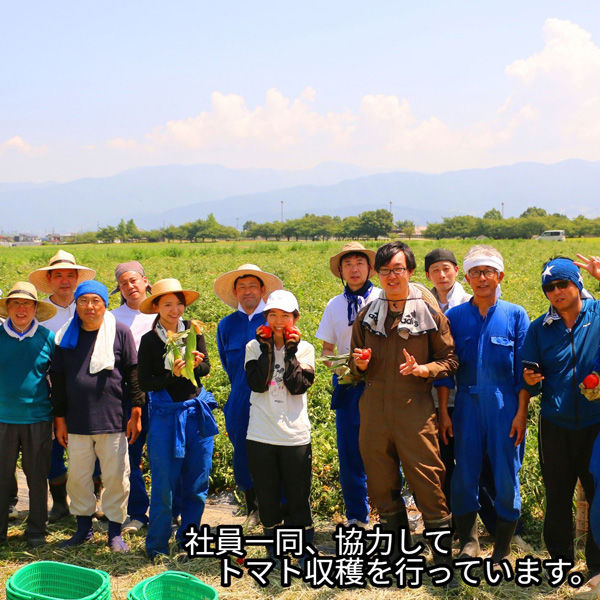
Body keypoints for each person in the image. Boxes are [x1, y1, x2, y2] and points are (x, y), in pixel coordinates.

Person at [349, 240, 458, 564]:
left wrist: (424, 369)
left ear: (410, 271)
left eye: (397, 269)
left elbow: (450, 360)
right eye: (385, 271)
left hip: (414, 407)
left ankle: (442, 560)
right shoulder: (368, 315)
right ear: (377, 274)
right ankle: (396, 554)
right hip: (374, 408)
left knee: (427, 480)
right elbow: (353, 364)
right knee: (381, 483)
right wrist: (360, 365)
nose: (391, 276)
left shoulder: (429, 313)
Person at [436, 245, 530, 563]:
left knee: (506, 474)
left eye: (488, 272)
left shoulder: (515, 315)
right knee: (465, 474)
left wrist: (521, 414)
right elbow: (447, 369)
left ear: (500, 276)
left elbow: (523, 374)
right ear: (467, 277)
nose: (482, 278)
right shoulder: (455, 317)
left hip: (505, 406)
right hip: (466, 404)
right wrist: (444, 413)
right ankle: (469, 540)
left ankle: (502, 547)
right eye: (475, 272)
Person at [522, 255, 600, 585]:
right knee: (557, 492)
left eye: (562, 284)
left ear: (577, 284)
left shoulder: (597, 315)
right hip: (555, 423)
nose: (556, 291)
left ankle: (596, 565)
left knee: (597, 493)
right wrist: (530, 379)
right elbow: (527, 374)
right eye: (550, 287)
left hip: (596, 424)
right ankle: (560, 562)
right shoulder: (540, 328)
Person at [50, 280, 144, 552]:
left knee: (116, 477)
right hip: (76, 421)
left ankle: (115, 532)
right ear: (77, 305)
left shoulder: (120, 332)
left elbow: (132, 375)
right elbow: (57, 380)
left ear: (105, 304)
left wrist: (135, 412)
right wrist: (60, 419)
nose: (89, 307)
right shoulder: (65, 336)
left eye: (95, 301)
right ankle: (83, 529)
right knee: (78, 478)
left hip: (112, 420)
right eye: (83, 301)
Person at [138, 278, 217, 559]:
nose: (174, 310)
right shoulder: (150, 341)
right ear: (157, 307)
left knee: (197, 482)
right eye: (167, 304)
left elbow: (205, 366)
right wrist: (171, 373)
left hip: (195, 414)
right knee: (163, 484)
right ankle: (157, 545)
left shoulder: (193, 331)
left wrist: (197, 364)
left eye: (178, 304)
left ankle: (191, 541)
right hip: (164, 416)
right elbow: (145, 381)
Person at [316, 242, 388, 528]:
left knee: (385, 451)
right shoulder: (334, 306)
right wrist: (347, 369)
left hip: (382, 385)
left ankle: (388, 513)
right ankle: (357, 515)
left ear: (370, 268)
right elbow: (325, 352)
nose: (354, 269)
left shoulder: (385, 297)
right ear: (341, 272)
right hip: (348, 386)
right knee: (350, 453)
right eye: (348, 264)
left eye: (359, 262)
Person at [244, 289, 315, 563]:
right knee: (267, 493)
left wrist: (290, 351)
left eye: (285, 316)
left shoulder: (305, 348)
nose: (277, 321)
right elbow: (257, 383)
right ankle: (273, 546)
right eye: (272, 314)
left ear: (295, 319)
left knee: (299, 494)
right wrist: (266, 348)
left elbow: (297, 386)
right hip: (261, 432)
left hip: (295, 435)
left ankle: (302, 545)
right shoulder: (253, 347)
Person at [28, 249, 96, 522]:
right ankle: (59, 503)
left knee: (92, 447)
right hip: (48, 391)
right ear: (50, 279)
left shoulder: (90, 306)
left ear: (78, 278)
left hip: (86, 391)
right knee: (52, 449)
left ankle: (93, 501)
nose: (65, 281)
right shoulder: (40, 312)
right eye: (59, 276)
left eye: (70, 275)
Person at [215, 264, 283, 523]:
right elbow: (225, 360)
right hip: (240, 396)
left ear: (263, 289)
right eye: (241, 287)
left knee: (276, 449)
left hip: (273, 396)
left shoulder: (274, 320)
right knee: (242, 451)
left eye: (252, 286)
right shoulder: (226, 325)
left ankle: (278, 506)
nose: (247, 292)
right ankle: (252, 506)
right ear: (235, 292)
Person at [0, 282, 56, 547]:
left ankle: (36, 531)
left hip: (38, 418)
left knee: (37, 476)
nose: (21, 309)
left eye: (27, 304)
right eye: (16, 303)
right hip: (3, 418)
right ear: (8, 307)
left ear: (35, 308)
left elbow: (56, 379)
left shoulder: (47, 338)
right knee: (1, 477)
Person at [111, 261, 156, 533]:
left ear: (145, 281)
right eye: (124, 283)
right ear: (119, 288)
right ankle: (138, 513)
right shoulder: (112, 318)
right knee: (131, 455)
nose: (130, 286)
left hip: (161, 394)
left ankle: (171, 511)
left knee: (165, 456)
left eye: (134, 280)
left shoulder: (160, 313)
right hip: (127, 395)